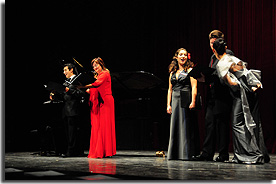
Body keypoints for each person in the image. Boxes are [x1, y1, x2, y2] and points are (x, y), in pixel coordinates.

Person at [213, 38, 270, 164]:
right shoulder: (233, 58)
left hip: (240, 95)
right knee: (253, 121)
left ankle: (249, 155)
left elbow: (233, 84)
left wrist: (234, 82)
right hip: (250, 91)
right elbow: (245, 69)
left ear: (214, 50)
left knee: (237, 124)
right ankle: (260, 153)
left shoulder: (221, 64)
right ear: (226, 47)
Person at [193, 30, 233, 162]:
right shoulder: (212, 57)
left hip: (223, 95)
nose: (212, 46)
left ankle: (223, 154)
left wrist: (211, 77)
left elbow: (227, 74)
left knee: (222, 125)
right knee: (209, 123)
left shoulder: (227, 54)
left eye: (214, 43)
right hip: (212, 94)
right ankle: (207, 153)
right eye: (210, 43)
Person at [166, 48, 200, 160]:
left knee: (184, 126)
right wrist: (168, 104)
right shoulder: (172, 72)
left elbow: (194, 87)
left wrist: (193, 101)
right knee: (175, 126)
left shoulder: (190, 71)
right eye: (181, 54)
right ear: (176, 57)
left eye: (185, 55)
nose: (183, 57)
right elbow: (169, 90)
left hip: (185, 99)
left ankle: (185, 153)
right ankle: (174, 153)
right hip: (175, 101)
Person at [79, 57, 116, 158]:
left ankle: (105, 151)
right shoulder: (98, 75)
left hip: (106, 101)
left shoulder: (105, 73)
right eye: (93, 66)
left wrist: (83, 87)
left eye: (96, 65)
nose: (95, 67)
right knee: (99, 126)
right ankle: (101, 150)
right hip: (100, 101)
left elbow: (97, 84)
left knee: (104, 126)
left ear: (101, 65)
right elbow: (95, 88)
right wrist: (87, 90)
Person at [57, 63, 85, 157]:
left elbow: (81, 93)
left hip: (74, 109)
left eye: (65, 70)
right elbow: (64, 95)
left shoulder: (78, 80)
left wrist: (69, 90)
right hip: (66, 110)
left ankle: (73, 151)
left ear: (71, 70)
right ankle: (69, 150)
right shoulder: (65, 82)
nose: (64, 72)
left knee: (74, 132)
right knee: (68, 132)